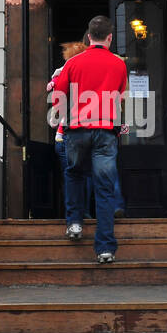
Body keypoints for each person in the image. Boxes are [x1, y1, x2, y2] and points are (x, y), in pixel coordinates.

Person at [51, 15, 128, 263]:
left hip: (77, 128)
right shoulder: (118, 65)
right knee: (104, 188)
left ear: (88, 37)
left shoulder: (74, 63)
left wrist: (67, 115)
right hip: (105, 130)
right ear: (110, 37)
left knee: (74, 174)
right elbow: (121, 97)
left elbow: (58, 96)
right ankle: (105, 248)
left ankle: (74, 223)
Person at [47, 40, 92, 220]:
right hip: (86, 133)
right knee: (85, 176)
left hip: (65, 135)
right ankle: (84, 212)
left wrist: (54, 119)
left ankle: (74, 215)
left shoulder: (61, 76)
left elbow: (55, 113)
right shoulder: (88, 78)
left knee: (71, 177)